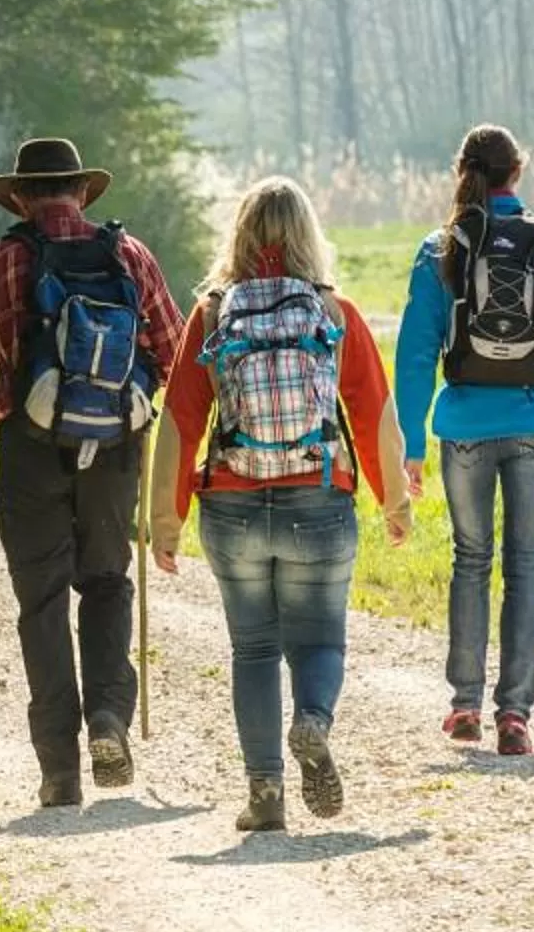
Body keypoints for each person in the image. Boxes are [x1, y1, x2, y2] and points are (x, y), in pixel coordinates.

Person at [0, 137, 187, 810]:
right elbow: (175, 349)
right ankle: (108, 717)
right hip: (114, 449)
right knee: (106, 582)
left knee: (42, 604)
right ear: (81, 192)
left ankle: (60, 772)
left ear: (20, 197)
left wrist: (15, 344)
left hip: (30, 450)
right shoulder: (129, 255)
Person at [151, 177, 411, 833]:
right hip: (318, 498)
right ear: (307, 235)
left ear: (238, 234)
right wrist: (394, 501)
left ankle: (265, 792)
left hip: (231, 507)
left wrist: (165, 521)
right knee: (319, 638)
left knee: (254, 650)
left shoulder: (212, 314)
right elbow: (373, 411)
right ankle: (312, 722)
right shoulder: (333, 312)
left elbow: (180, 421)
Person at [394, 125, 534, 756]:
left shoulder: (440, 248)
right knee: (524, 563)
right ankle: (515, 715)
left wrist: (411, 443)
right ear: (517, 172)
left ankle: (464, 705)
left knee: (470, 560)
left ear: (462, 172)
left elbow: (416, 351)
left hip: (464, 426)